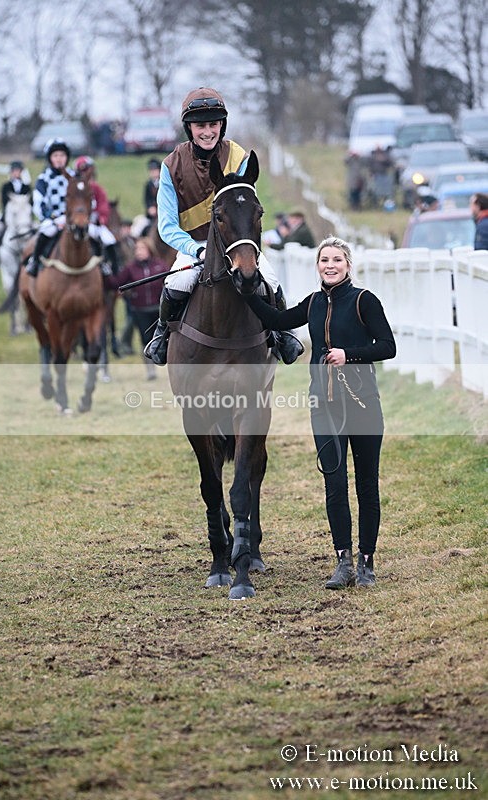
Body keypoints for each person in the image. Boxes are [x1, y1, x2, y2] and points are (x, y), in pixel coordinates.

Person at [243, 236, 396, 589]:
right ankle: (342, 562)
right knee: (334, 484)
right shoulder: (313, 303)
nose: (330, 265)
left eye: (337, 260)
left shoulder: (364, 301)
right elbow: (278, 319)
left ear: (348, 264)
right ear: (318, 266)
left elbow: (388, 346)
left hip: (363, 406)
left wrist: (349, 355)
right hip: (323, 407)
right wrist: (247, 293)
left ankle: (367, 562)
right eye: (324, 260)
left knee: (367, 486)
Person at [143, 86, 303, 367]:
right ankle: (161, 336)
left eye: (213, 124)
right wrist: (196, 250)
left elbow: (244, 206)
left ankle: (283, 335)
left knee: (271, 280)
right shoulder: (171, 165)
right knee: (176, 282)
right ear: (189, 128)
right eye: (200, 125)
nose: (208, 131)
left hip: (237, 244)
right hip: (194, 246)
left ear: (222, 125)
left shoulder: (238, 155)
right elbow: (167, 225)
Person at [103, 237, 167, 379]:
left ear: (149, 250)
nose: (139, 252)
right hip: (140, 310)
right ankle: (151, 371)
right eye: (137, 249)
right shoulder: (130, 268)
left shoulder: (160, 265)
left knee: (163, 338)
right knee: (146, 339)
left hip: (159, 309)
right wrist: (106, 274)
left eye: (142, 249)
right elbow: (116, 284)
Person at [25, 139, 76, 277]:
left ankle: (104, 265)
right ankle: (34, 263)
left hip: (75, 219)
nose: (59, 159)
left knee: (101, 236)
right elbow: (38, 204)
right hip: (54, 219)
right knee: (45, 232)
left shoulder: (75, 177)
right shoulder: (43, 179)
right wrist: (54, 218)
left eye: (62, 155)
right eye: (56, 156)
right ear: (50, 158)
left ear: (67, 158)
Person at [74, 155, 119, 273]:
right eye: (83, 171)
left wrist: (101, 218)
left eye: (88, 171)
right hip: (78, 223)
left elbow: (103, 205)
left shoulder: (97, 188)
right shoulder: (74, 189)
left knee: (109, 239)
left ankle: (112, 266)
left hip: (94, 222)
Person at [0, 161, 32, 268]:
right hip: (9, 217)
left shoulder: (27, 187)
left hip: (24, 218)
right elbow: (4, 203)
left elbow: (31, 204)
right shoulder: (6, 186)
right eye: (14, 171)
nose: (16, 173)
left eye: (18, 171)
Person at [144, 158, 161, 225]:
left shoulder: (164, 184)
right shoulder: (148, 185)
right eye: (151, 170)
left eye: (155, 170)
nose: (153, 172)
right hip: (152, 214)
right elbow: (147, 199)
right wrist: (149, 207)